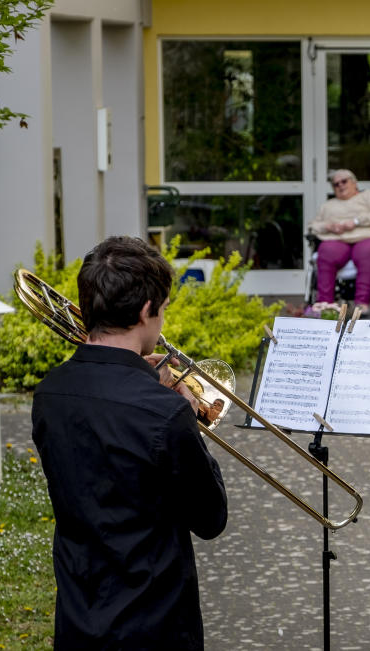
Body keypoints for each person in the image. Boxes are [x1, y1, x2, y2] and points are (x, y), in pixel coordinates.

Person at [31, 236, 228, 649]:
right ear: (145, 311)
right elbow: (210, 519)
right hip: (153, 622)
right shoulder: (167, 413)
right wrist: (189, 417)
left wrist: (145, 383)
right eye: (163, 311)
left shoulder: (51, 392)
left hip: (79, 615)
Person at [308, 169, 370, 314]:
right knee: (326, 251)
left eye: (343, 181)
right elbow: (313, 226)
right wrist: (329, 226)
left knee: (366, 252)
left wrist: (356, 222)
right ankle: (325, 305)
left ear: (354, 182)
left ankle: (362, 304)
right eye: (335, 184)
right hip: (337, 238)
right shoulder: (328, 205)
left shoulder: (369, 196)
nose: (340, 185)